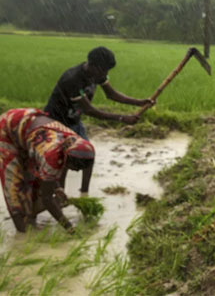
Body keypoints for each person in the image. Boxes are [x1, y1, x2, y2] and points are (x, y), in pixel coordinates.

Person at [44, 46, 153, 192]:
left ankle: (84, 193)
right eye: (104, 70)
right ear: (92, 65)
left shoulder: (98, 73)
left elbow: (112, 94)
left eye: (107, 70)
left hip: (74, 121)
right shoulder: (72, 79)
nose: (106, 74)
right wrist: (121, 118)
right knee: (64, 161)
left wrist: (139, 102)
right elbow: (90, 110)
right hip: (57, 123)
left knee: (88, 155)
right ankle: (60, 195)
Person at [0, 108, 95, 233]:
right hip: (9, 128)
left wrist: (57, 188)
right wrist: (68, 227)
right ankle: (22, 232)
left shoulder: (76, 143)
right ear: (66, 157)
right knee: (16, 189)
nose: (76, 172)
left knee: (35, 187)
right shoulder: (52, 156)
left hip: (30, 130)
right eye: (75, 168)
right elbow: (47, 198)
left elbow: (50, 173)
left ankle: (31, 219)